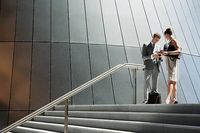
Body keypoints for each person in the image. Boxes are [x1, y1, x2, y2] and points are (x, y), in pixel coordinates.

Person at [162, 28, 181, 104]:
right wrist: (161, 53)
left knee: (171, 80)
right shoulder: (167, 43)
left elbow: (179, 51)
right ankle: (174, 99)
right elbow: (165, 53)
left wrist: (168, 53)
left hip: (173, 62)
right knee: (174, 81)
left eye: (165, 35)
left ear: (167, 34)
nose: (165, 37)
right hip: (169, 62)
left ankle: (168, 98)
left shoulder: (173, 40)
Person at [142, 33, 162, 103]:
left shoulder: (159, 47)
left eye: (158, 40)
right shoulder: (146, 45)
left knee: (155, 85)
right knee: (146, 83)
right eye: (156, 39)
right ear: (153, 37)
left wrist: (159, 57)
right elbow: (143, 57)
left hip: (156, 66)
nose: (157, 41)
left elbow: (160, 58)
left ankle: (154, 100)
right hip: (148, 67)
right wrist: (152, 56)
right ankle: (145, 100)